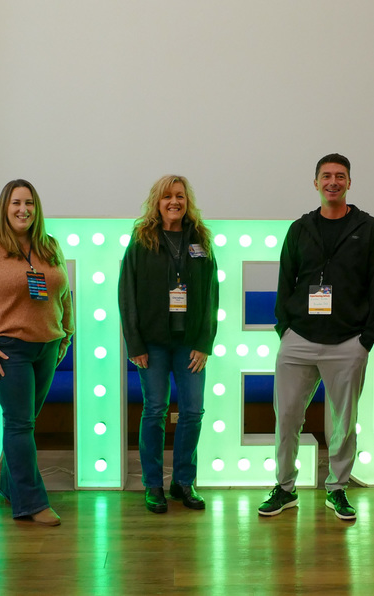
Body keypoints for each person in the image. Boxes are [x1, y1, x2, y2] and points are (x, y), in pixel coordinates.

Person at [259, 153, 374, 521]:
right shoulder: (300, 229)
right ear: (315, 183)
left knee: (343, 422)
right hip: (299, 338)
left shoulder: (368, 227)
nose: (333, 181)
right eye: (326, 176)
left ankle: (337, 488)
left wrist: (368, 338)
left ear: (350, 182)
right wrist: (284, 326)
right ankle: (284, 488)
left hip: (348, 341)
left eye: (340, 176)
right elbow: (286, 279)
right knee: (286, 417)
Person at [0, 179, 73, 526]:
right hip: (9, 350)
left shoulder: (49, 246)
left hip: (48, 347)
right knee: (20, 422)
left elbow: (63, 295)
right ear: (4, 208)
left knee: (24, 422)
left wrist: (65, 336)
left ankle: (12, 487)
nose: (22, 209)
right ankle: (31, 502)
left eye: (29, 203)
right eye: (15, 203)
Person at [119, 175, 219, 514]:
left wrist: (205, 342)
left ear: (187, 201)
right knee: (155, 411)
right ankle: (152, 485)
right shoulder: (142, 241)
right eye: (166, 197)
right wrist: (135, 344)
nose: (173, 202)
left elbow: (210, 296)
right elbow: (127, 295)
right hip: (153, 345)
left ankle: (183, 482)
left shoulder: (201, 241)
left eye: (179, 196)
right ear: (156, 203)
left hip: (190, 343)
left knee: (192, 411)